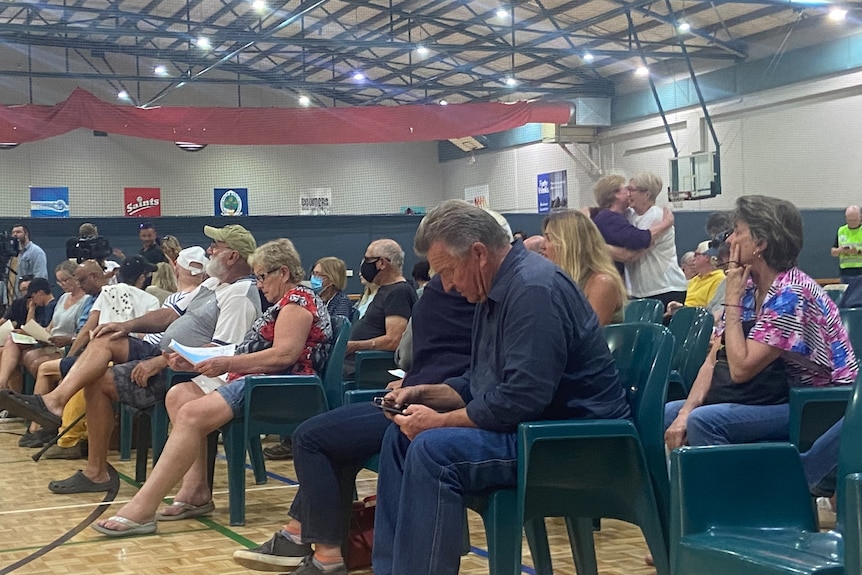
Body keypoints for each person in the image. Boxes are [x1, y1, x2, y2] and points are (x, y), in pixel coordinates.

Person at [371, 200, 630, 575]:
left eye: (448, 271)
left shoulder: (533, 289)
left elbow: (522, 397)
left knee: (431, 449)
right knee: (399, 438)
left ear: (478, 253)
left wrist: (440, 423)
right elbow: (482, 383)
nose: (447, 285)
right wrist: (423, 394)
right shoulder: (492, 290)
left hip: (569, 441)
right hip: (531, 428)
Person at [233, 272, 477, 574]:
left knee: (311, 438)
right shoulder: (463, 289)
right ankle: (301, 536)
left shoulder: (437, 290)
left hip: (428, 405)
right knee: (325, 437)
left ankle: (323, 554)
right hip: (418, 393)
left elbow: (406, 348)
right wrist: (412, 383)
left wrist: (419, 387)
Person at [92, 239, 331, 537]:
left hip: (278, 388)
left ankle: (143, 507)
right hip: (259, 380)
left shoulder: (297, 302)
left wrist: (227, 364)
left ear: (283, 272)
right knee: (178, 394)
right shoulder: (286, 301)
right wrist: (196, 361)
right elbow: (251, 349)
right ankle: (195, 492)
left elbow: (283, 356)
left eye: (262, 276)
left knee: (192, 414)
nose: (258, 285)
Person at [0, 224, 262, 489]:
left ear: (232, 256)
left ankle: (96, 473)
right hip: (164, 350)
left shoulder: (240, 295)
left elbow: (223, 351)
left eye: (216, 246)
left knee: (99, 381)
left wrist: (161, 360)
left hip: (182, 367)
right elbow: (170, 316)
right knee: (107, 336)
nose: (210, 250)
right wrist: (127, 326)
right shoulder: (213, 283)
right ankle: (55, 401)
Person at [664, 195, 858, 450]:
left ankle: (733, 490)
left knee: (705, 421)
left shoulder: (791, 292)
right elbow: (713, 360)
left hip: (821, 405)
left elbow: (741, 369)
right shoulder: (748, 285)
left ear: (761, 243)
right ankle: (687, 489)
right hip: (774, 394)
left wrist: (731, 302)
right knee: (671, 412)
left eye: (737, 231)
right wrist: (683, 413)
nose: (730, 240)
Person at [343, 239, 416, 377]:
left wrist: (355, 346)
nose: (363, 265)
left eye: (367, 259)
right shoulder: (385, 290)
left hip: (366, 369)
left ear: (382, 263)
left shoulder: (398, 292)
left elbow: (394, 340)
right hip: (354, 365)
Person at [541, 209, 626, 325]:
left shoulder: (602, 283)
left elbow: (588, 337)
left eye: (549, 239)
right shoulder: (558, 281)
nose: (542, 246)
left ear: (570, 244)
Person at [589, 174, 674, 278]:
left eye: (631, 190)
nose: (629, 194)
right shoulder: (609, 218)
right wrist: (665, 224)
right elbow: (638, 240)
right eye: (627, 189)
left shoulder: (623, 215)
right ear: (616, 194)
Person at [625, 172, 688, 307]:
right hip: (643, 291)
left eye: (631, 190)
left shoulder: (655, 215)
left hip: (665, 288)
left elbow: (634, 253)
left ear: (646, 194)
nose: (627, 194)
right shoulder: (631, 215)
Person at [667, 241, 725, 315]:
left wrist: (685, 310)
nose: (693, 258)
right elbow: (692, 305)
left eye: (696, 255)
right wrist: (681, 307)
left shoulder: (719, 278)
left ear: (707, 257)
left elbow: (711, 309)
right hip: (688, 316)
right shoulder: (694, 280)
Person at [11, 224, 48, 296]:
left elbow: (40, 276)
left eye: (18, 232)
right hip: (15, 297)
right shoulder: (13, 254)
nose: (15, 234)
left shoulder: (36, 252)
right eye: (13, 232)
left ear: (26, 234)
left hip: (30, 296)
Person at [831, 205, 862, 284]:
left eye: (854, 220)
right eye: (849, 220)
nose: (852, 223)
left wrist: (857, 252)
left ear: (860, 217)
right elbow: (833, 251)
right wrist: (840, 250)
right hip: (845, 272)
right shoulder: (841, 230)